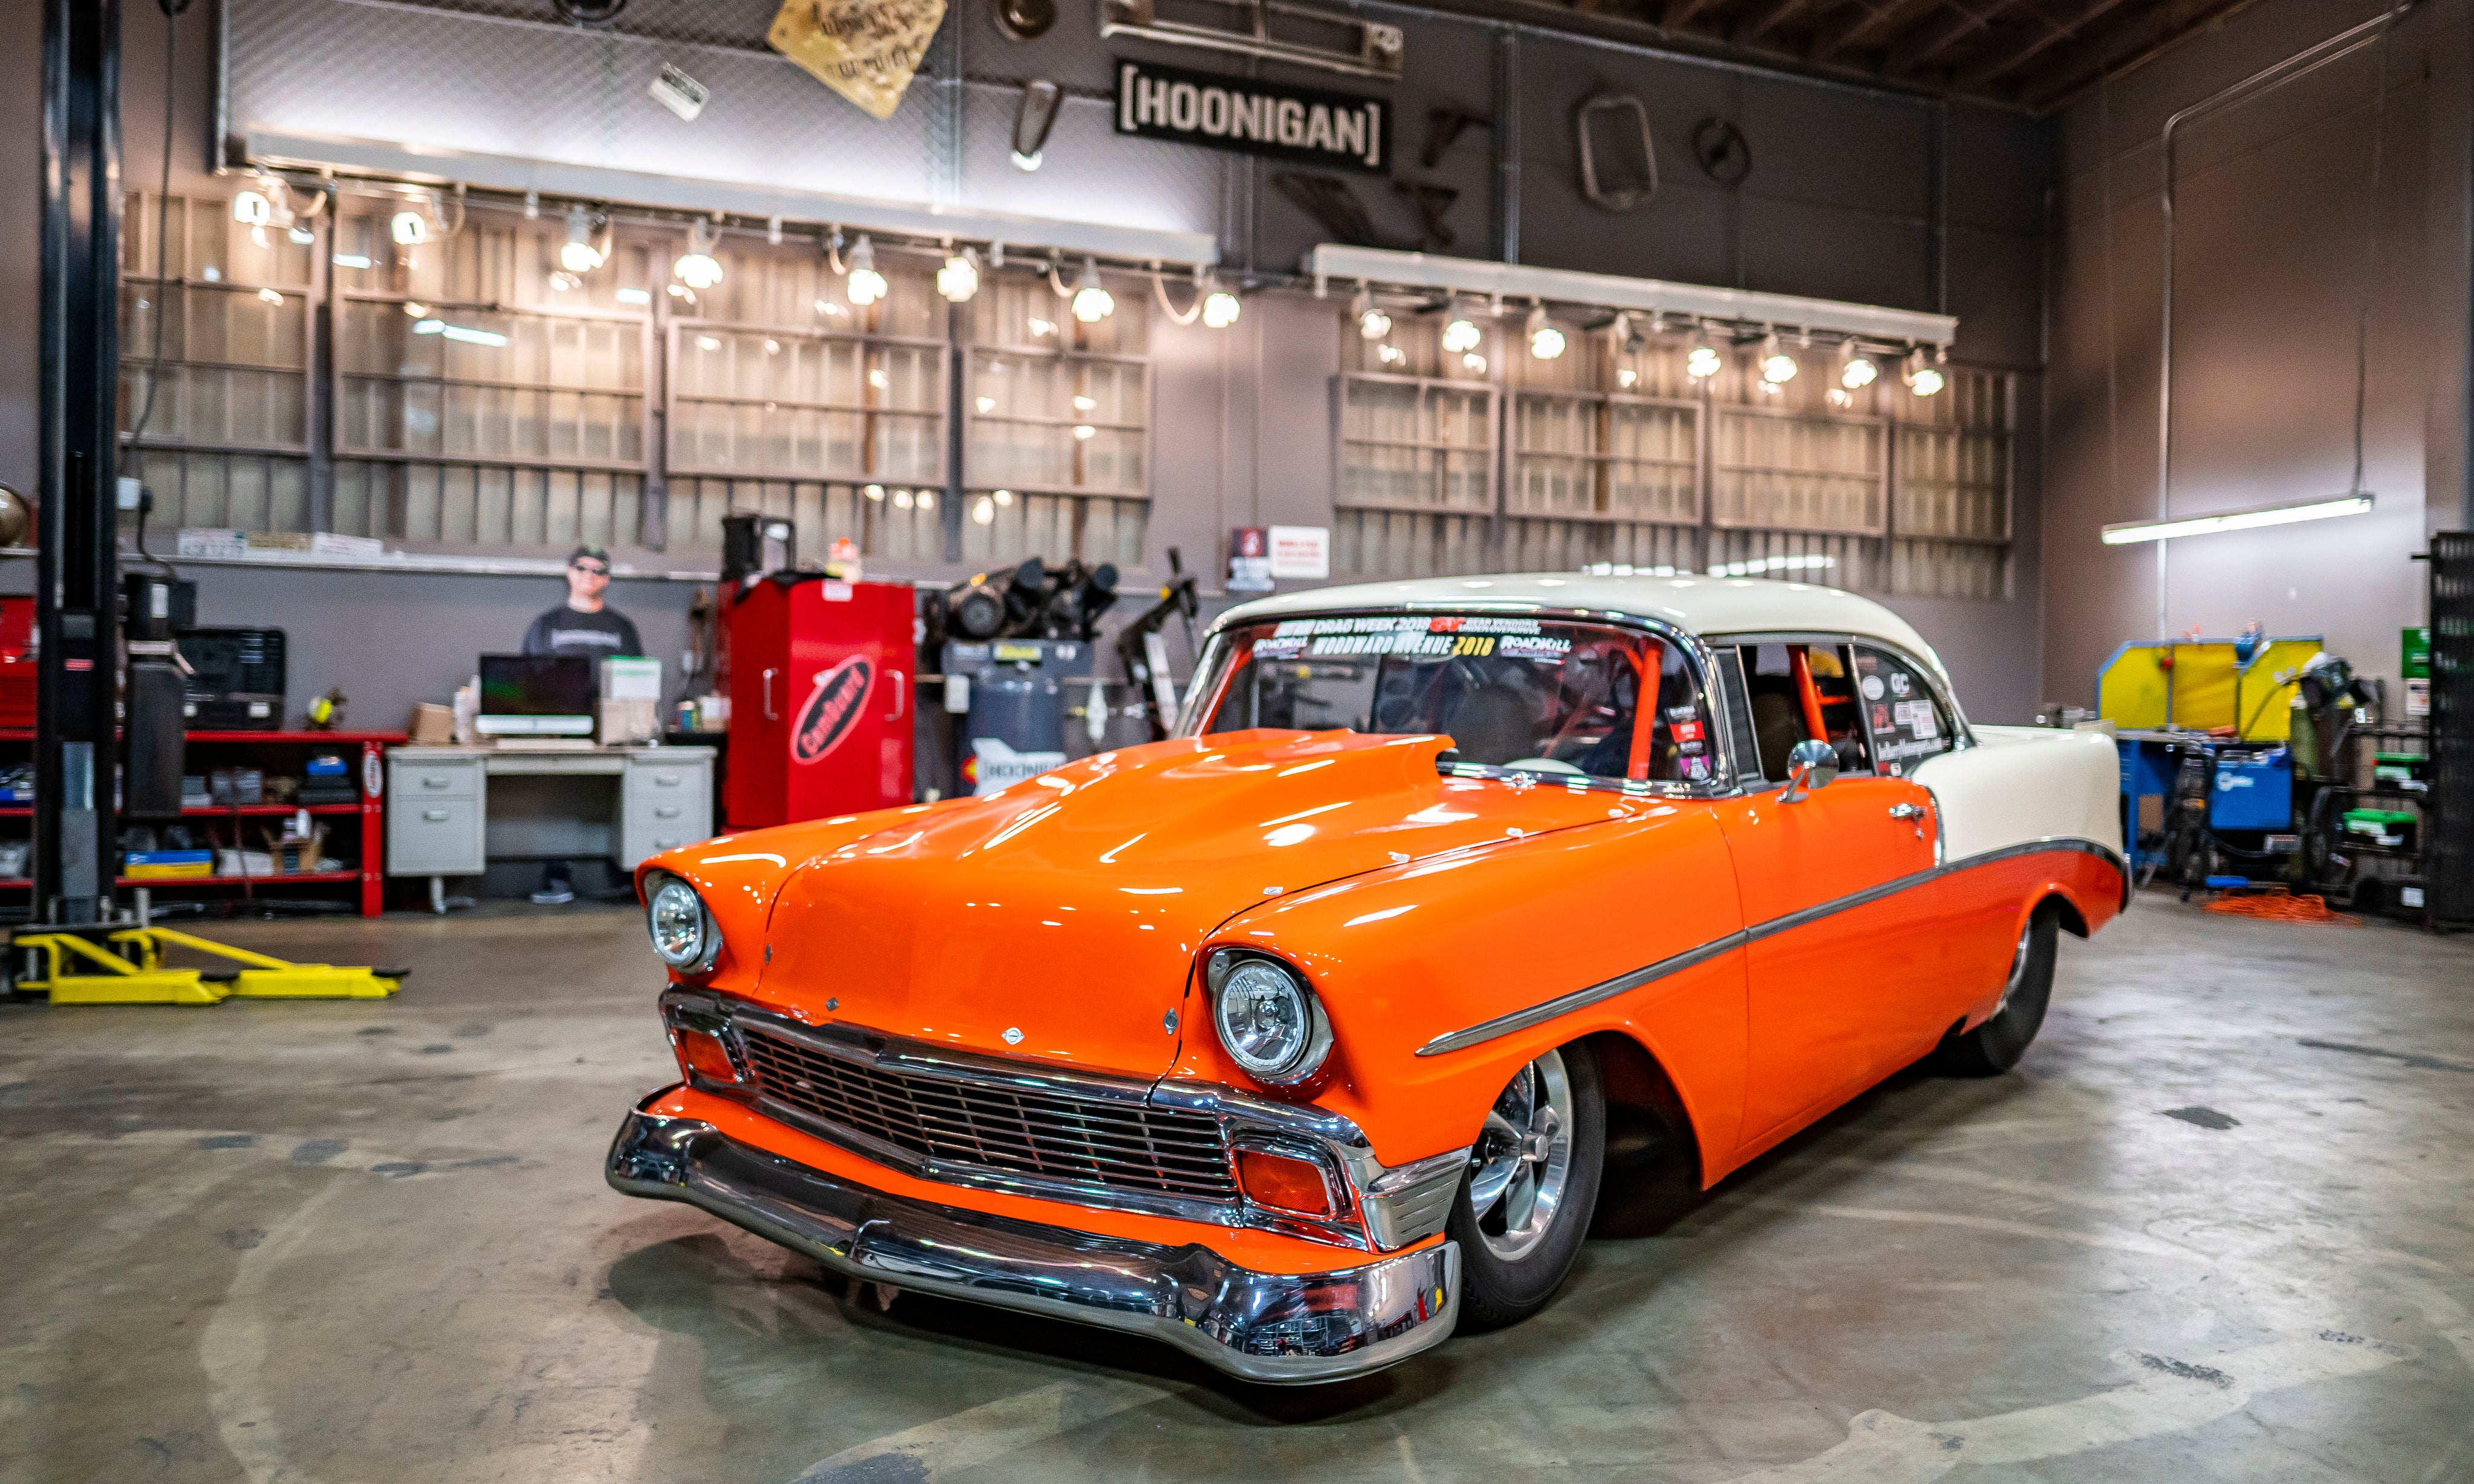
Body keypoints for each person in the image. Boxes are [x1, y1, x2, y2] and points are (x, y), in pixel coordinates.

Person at [521, 545, 643, 904]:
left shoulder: (622, 628)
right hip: (560, 729)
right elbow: (530, 678)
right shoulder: (547, 625)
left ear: (607, 579)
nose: (589, 575)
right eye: (582, 568)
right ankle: (558, 879)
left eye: (598, 570)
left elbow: (638, 679)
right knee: (559, 801)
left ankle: (622, 877)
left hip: (615, 731)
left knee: (622, 799)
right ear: (569, 573)